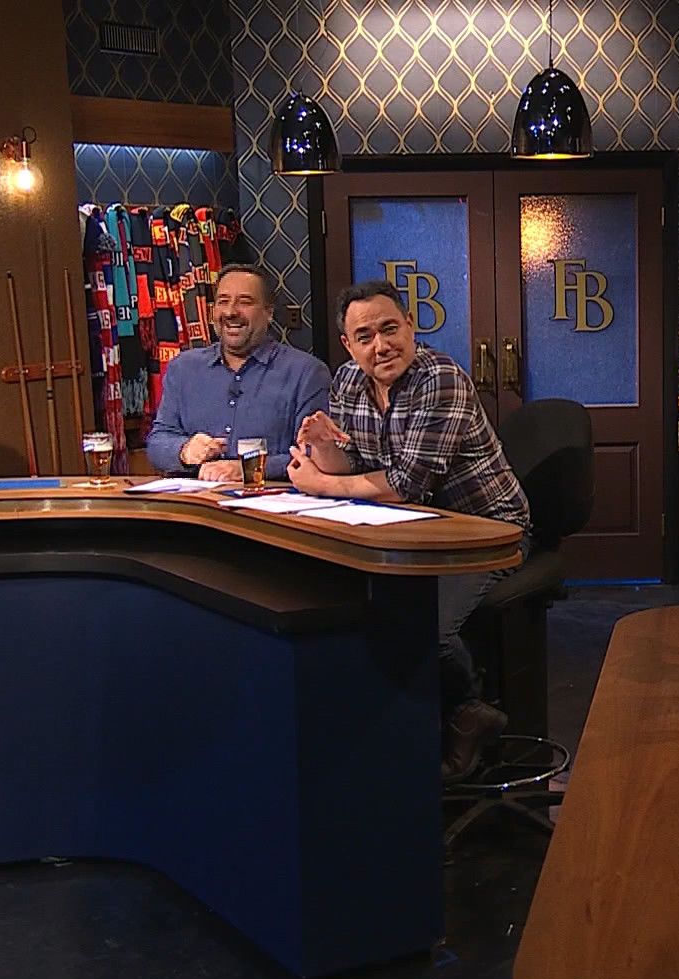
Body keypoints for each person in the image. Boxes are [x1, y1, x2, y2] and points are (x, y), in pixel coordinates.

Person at [289, 280, 531, 781]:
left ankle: (469, 709)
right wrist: (322, 448)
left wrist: (321, 484)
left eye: (389, 329)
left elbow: (406, 484)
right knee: (359, 613)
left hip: (486, 533)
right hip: (412, 535)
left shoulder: (440, 378)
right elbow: (353, 465)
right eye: (365, 336)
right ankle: (403, 737)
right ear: (349, 345)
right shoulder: (347, 383)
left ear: (410, 326)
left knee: (423, 629)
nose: (381, 345)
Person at [146, 264, 328, 482]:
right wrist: (184, 450)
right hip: (196, 498)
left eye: (245, 302)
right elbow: (158, 441)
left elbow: (314, 454)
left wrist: (249, 468)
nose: (231, 312)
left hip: (268, 498)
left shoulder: (306, 373)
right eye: (223, 301)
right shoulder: (183, 368)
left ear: (269, 312)